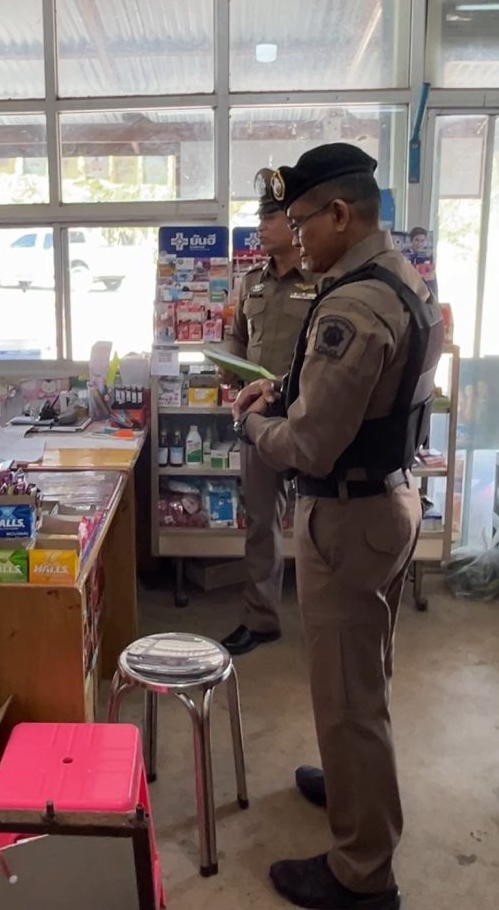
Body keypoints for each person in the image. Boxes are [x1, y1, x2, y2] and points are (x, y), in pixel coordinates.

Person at [233, 144, 443, 910]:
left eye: (299, 222)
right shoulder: (400, 279)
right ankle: (353, 786)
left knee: (349, 696)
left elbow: (309, 444)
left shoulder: (350, 307)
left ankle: (362, 872)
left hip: (348, 517)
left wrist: (251, 424)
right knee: (364, 679)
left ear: (339, 214)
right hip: (386, 498)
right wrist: (283, 395)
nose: (294, 237)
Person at [221, 168, 317, 657]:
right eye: (259, 216)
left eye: (271, 217)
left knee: (322, 522)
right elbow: (236, 336)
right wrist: (231, 370)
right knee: (261, 522)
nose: (261, 225)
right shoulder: (251, 282)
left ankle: (326, 623)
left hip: (312, 417)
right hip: (260, 419)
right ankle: (260, 619)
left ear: (295, 223)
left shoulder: (324, 282)